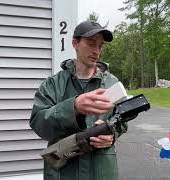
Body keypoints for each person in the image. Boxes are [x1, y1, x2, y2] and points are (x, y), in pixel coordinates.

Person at [30, 20, 128, 180]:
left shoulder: (112, 83)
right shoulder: (53, 84)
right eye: (91, 43)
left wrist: (112, 134)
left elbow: (122, 120)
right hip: (63, 173)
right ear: (75, 43)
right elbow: (38, 123)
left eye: (100, 45)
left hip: (101, 170)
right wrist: (73, 107)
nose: (96, 51)